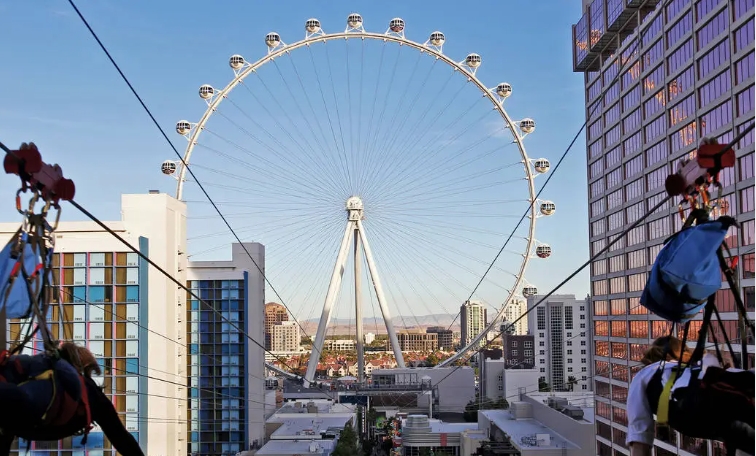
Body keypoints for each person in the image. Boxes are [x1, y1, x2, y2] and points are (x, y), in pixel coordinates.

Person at [0, 343, 144, 456]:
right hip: (30, 422)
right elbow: (121, 438)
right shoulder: (94, 399)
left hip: (21, 415)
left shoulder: (83, 390)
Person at [626, 336, 754, 456]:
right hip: (735, 396)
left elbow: (639, 434)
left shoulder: (646, 373)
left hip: (697, 409)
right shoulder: (697, 369)